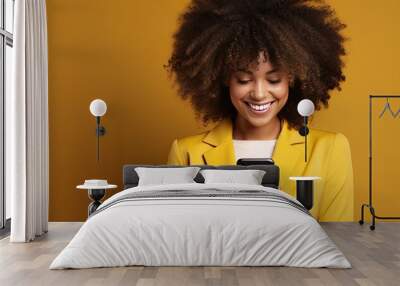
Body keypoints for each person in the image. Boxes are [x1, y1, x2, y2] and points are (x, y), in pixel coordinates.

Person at [165, 0, 353, 221]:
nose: (259, 93)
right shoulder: (186, 152)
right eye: (244, 80)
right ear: (225, 79)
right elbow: (178, 234)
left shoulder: (329, 149)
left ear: (292, 79)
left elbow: (338, 238)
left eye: (274, 80)